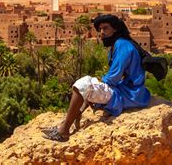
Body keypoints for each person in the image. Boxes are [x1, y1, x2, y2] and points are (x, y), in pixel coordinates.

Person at [42, 14, 151, 142]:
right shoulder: (120, 43)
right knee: (89, 85)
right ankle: (65, 124)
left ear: (115, 29)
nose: (101, 33)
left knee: (83, 85)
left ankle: (63, 132)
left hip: (130, 94)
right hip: (127, 91)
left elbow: (113, 77)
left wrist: (99, 87)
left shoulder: (122, 45)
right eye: (100, 29)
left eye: (105, 28)